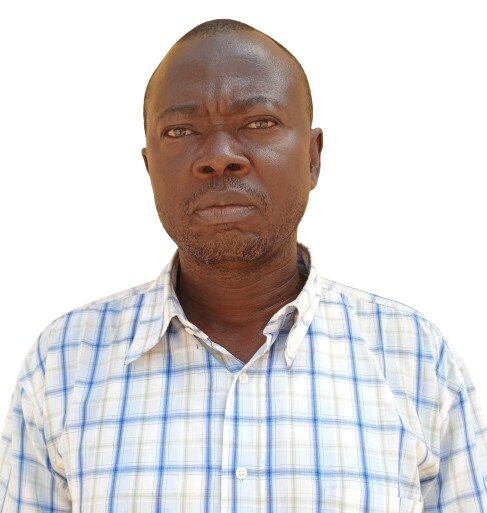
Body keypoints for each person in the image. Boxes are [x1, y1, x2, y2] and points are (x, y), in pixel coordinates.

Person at [0, 18, 486, 513]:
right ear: (150, 168)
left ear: (313, 158)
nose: (219, 157)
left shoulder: (415, 358)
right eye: (181, 130)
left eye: (258, 123)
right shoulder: (63, 364)